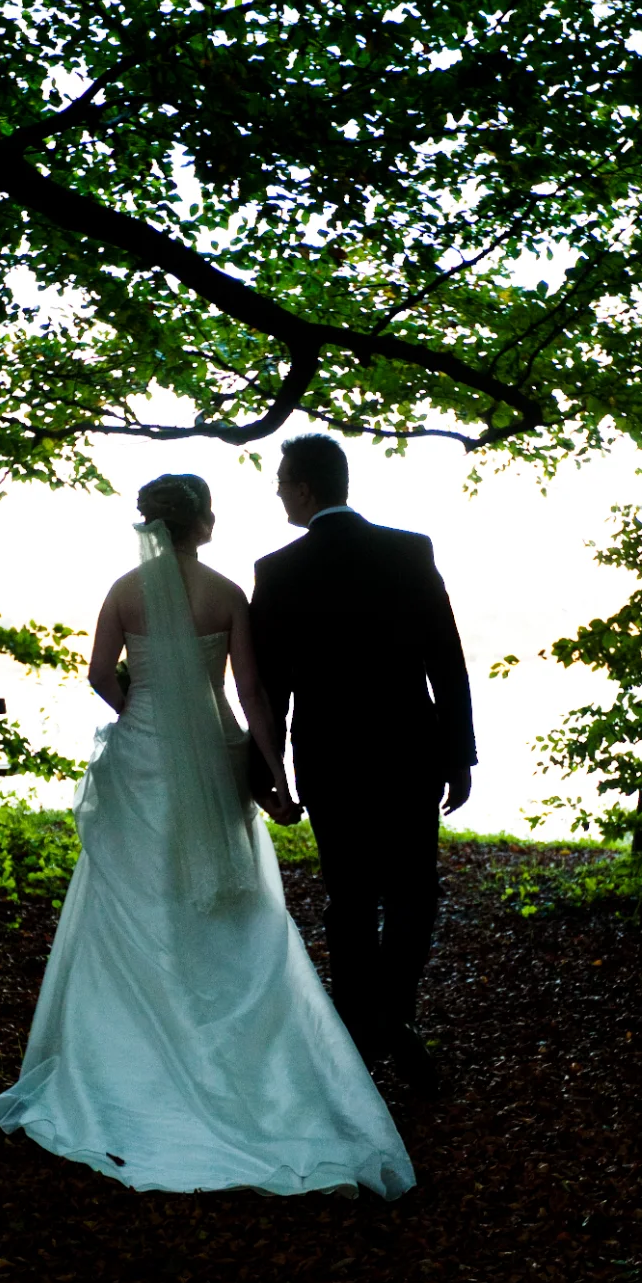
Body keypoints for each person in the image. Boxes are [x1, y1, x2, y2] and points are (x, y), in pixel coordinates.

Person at [0, 473, 415, 1199]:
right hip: (211, 756)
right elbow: (252, 695)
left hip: (145, 755)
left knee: (135, 897)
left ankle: (126, 1058)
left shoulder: (123, 589)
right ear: (201, 523)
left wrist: (141, 713)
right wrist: (276, 776)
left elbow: (96, 675)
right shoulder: (226, 593)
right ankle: (236, 1058)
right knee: (219, 902)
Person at [250, 434, 475, 1097]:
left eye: (284, 481)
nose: (280, 491)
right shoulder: (410, 551)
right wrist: (459, 756)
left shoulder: (278, 570)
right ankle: (396, 1012)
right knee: (415, 889)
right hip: (411, 751)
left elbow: (271, 688)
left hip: (331, 758)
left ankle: (356, 1036)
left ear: (307, 489)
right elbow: (446, 662)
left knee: (349, 899)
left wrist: (268, 775)